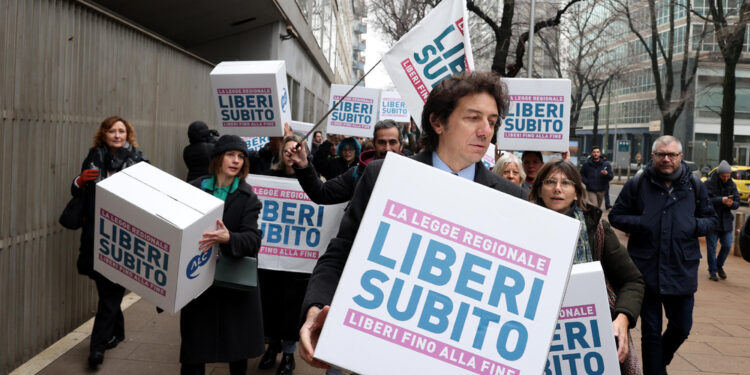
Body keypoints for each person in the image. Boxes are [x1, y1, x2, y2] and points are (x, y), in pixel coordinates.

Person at [298, 71, 527, 370]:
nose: (486, 131)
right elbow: (342, 252)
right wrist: (316, 307)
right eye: (473, 118)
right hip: (383, 355)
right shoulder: (383, 176)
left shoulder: (512, 198)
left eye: (492, 121)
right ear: (437, 122)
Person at [609, 135, 718, 375]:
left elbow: (711, 219)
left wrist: (692, 226)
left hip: (682, 269)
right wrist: (642, 223)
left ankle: (659, 363)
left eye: (672, 155)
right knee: (650, 334)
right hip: (645, 270)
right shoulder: (638, 184)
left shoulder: (694, 186)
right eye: (661, 155)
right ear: (653, 156)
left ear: (681, 157)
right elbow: (616, 216)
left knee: (682, 327)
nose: (666, 159)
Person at [529, 159, 645, 371]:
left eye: (566, 183)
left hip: (585, 337)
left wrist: (623, 318)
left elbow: (633, 280)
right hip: (534, 335)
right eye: (550, 181)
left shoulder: (597, 229)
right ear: (538, 190)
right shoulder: (520, 229)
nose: (557, 188)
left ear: (576, 192)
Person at [182, 135, 265, 375]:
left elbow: (253, 240)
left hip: (232, 285)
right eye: (231, 154)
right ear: (218, 157)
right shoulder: (194, 189)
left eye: (241, 157)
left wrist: (230, 238)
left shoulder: (249, 198)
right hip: (196, 280)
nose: (236, 161)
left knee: (236, 351)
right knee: (194, 349)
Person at [70, 116, 148, 368]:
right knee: (107, 288)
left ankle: (97, 348)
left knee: (109, 293)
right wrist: (80, 181)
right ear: (103, 134)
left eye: (121, 131)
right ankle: (118, 332)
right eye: (112, 131)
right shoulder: (93, 157)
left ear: (128, 134)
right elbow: (78, 189)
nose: (117, 135)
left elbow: (149, 195)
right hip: (96, 234)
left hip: (123, 236)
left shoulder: (138, 161)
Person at [257, 134, 311, 375]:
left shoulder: (314, 180)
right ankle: (272, 347)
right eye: (287, 150)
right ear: (282, 154)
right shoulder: (267, 179)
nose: (291, 154)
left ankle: (288, 354)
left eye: (296, 149)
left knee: (291, 310)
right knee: (269, 305)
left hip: (298, 264)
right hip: (270, 261)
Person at [287, 119, 404, 205]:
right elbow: (322, 193)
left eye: (392, 142)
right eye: (382, 142)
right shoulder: (357, 173)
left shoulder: (412, 176)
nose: (387, 148)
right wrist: (303, 164)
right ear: (374, 145)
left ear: (401, 145)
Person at [704, 160, 739, 281]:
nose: (726, 178)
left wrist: (731, 204)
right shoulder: (709, 184)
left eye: (728, 176)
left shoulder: (732, 184)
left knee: (728, 245)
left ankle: (719, 266)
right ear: (719, 175)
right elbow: (705, 200)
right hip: (712, 220)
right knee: (711, 248)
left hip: (726, 221)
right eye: (724, 176)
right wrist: (721, 200)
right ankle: (712, 271)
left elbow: (737, 203)